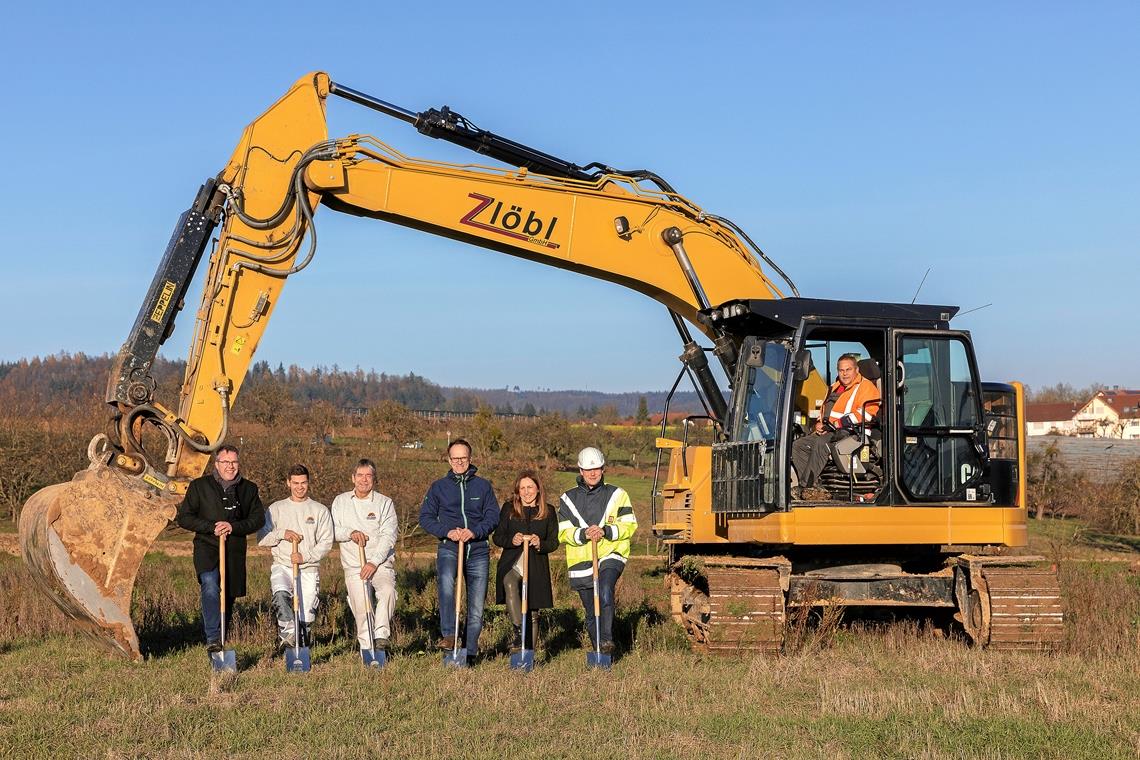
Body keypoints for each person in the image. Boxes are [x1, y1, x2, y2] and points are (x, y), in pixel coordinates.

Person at [176, 445, 265, 652]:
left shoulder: (249, 489)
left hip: (234, 550)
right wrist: (211, 527)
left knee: (229, 595)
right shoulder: (199, 486)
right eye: (225, 462)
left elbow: (257, 519)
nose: (230, 466)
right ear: (217, 464)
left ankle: (222, 636)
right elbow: (185, 518)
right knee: (209, 584)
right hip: (207, 548)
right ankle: (213, 638)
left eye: (234, 462)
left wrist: (233, 526)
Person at [418, 438, 499, 665]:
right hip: (449, 547)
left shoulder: (483, 486)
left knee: (476, 605)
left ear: (470, 459)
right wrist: (448, 532)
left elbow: (493, 516)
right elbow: (425, 518)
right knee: (445, 581)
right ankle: (449, 635)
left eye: (463, 458)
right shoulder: (438, 487)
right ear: (449, 459)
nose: (459, 462)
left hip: (478, 550)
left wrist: (475, 531)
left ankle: (469, 652)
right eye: (455, 458)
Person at [557, 447, 637, 656]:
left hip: (611, 553)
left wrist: (606, 531)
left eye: (597, 469)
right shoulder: (567, 499)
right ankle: (600, 652)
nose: (593, 474)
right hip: (581, 560)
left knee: (604, 590)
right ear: (581, 471)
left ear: (603, 469)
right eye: (588, 470)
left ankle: (608, 640)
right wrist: (584, 534)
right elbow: (563, 532)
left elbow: (630, 525)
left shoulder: (618, 495)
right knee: (591, 611)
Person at [258, 464, 333, 652]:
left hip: (308, 568)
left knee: (307, 615)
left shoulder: (320, 510)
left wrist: (304, 556)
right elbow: (262, 539)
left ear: (308, 483)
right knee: (281, 596)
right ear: (288, 483)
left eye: (304, 483)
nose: (300, 487)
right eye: (296, 483)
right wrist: (282, 533)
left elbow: (326, 542)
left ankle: (301, 646)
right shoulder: (276, 509)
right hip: (283, 565)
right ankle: (287, 633)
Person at [331, 458, 398, 654]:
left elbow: (389, 535)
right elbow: (332, 530)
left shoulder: (385, 503)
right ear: (353, 478)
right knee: (362, 608)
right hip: (354, 566)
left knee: (387, 591)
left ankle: (381, 636)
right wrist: (350, 533)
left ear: (374, 479)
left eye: (368, 475)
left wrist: (374, 562)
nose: (364, 480)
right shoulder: (340, 502)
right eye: (360, 475)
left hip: (380, 564)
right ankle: (368, 651)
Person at [791, 353, 881, 492]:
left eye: (848, 369)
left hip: (852, 432)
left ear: (856, 370)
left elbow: (867, 414)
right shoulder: (833, 387)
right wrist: (819, 424)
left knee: (821, 444)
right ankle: (814, 486)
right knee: (798, 445)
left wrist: (839, 423)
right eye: (841, 370)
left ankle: (806, 487)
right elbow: (825, 411)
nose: (844, 374)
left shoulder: (866, 388)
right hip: (831, 430)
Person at [492, 470, 559, 653]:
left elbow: (554, 542)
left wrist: (540, 543)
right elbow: (497, 537)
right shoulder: (509, 509)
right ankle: (519, 633)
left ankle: (528, 653)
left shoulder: (549, 511)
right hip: (513, 563)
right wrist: (511, 540)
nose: (526, 491)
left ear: (538, 489)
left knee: (533, 612)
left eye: (530, 487)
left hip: (536, 566)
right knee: (509, 581)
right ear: (517, 490)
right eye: (522, 488)